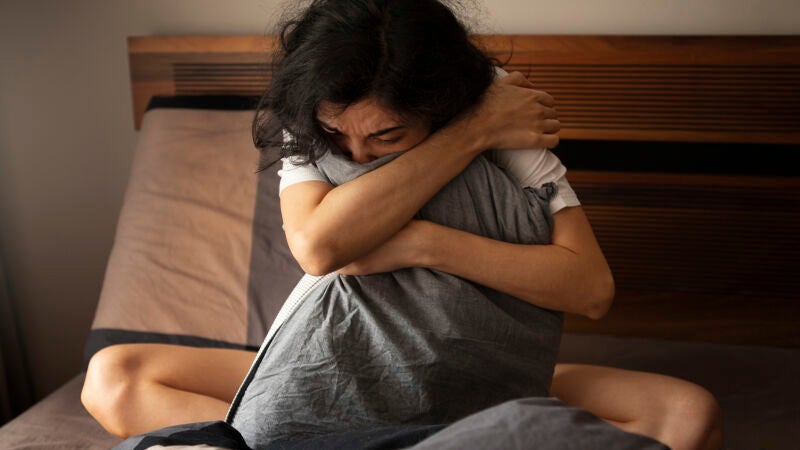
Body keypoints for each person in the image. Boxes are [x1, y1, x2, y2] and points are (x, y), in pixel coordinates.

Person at [81, 1, 723, 449]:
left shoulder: (503, 115)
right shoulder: (318, 111)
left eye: (387, 135)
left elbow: (590, 288)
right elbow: (318, 247)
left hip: (471, 364)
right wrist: (471, 136)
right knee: (114, 377)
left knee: (686, 415)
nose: (356, 154)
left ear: (445, 102)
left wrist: (424, 243)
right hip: (336, 364)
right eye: (340, 136)